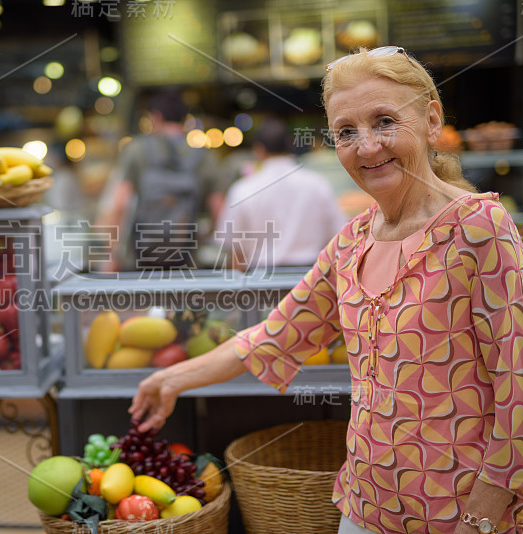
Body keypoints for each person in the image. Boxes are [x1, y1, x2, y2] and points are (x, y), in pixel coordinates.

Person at [130, 47, 522, 534]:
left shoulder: (480, 228)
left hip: (457, 517)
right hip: (362, 510)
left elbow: (517, 392)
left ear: (430, 119)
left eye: (384, 121)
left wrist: (479, 520)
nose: (367, 147)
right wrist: (172, 379)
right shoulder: (352, 241)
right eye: (346, 132)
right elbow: (275, 336)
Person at [100, 90, 219, 271]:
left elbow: (119, 205)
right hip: (188, 260)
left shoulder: (137, 150)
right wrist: (204, 238)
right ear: (185, 119)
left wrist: (112, 254)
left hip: (142, 259)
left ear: (156, 117)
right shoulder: (202, 156)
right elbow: (218, 208)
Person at [215, 116, 346, 270]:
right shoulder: (317, 184)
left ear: (259, 149)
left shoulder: (243, 189)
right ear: (290, 144)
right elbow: (337, 238)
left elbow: (235, 250)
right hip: (311, 277)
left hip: (260, 280)